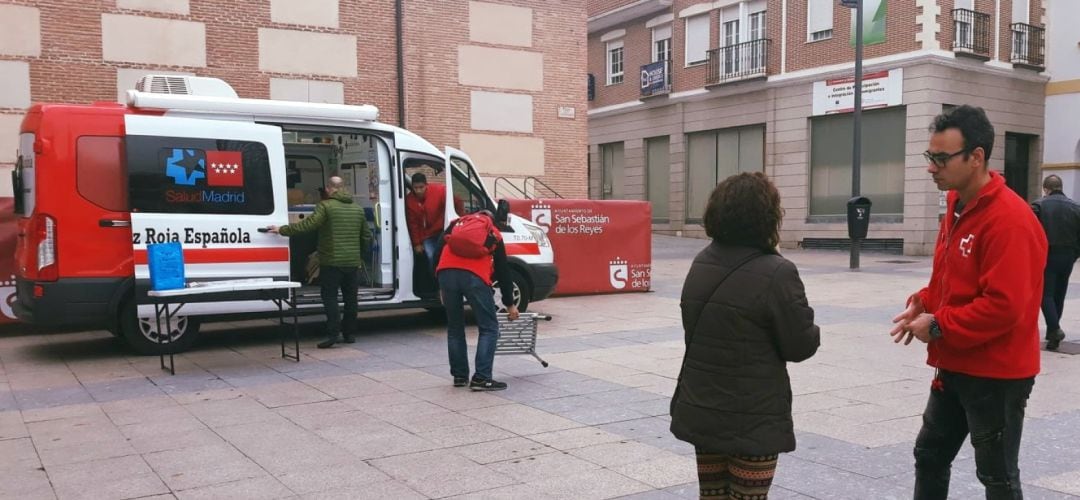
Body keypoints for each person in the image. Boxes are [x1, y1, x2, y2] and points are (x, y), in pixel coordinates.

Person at [891, 105, 1047, 499]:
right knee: (929, 455)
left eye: (941, 159)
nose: (932, 167)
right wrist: (922, 303)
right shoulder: (957, 206)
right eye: (931, 157)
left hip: (996, 375)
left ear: (976, 157)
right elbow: (952, 281)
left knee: (997, 476)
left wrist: (939, 325)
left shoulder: (1009, 220)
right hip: (955, 364)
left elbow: (1004, 306)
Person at [669, 172, 819, 500]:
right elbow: (801, 345)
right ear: (766, 217)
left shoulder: (702, 262)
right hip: (753, 417)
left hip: (704, 410)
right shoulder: (777, 272)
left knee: (712, 496)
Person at [270, 176, 371, 349]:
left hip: (331, 262)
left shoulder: (325, 206)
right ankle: (350, 334)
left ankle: (333, 334)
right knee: (351, 299)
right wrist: (358, 256)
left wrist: (282, 230)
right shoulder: (357, 209)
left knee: (330, 297)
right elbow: (366, 236)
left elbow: (307, 226)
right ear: (343, 188)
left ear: (329, 189)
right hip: (352, 263)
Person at [433, 210, 519, 391]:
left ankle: (459, 376)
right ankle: (481, 378)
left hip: (446, 273)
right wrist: (509, 303)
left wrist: (440, 285)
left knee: (455, 327)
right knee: (489, 327)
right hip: (474, 276)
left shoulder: (456, 224)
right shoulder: (493, 232)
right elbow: (503, 271)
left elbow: (436, 252)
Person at [1031, 174, 1080, 351]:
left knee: (1046, 294)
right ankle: (1053, 334)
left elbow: (1030, 231)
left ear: (1046, 189)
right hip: (1068, 256)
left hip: (1047, 254)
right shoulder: (1076, 207)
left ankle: (1055, 329)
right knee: (1059, 293)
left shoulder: (1038, 206)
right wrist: (1075, 254)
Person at [405, 171, 464, 277]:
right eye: (415, 188)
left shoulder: (440, 191)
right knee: (432, 257)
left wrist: (459, 222)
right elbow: (413, 224)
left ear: (426, 185)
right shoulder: (410, 201)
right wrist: (417, 243)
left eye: (421, 187)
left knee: (446, 259)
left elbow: (458, 201)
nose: (418, 191)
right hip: (427, 236)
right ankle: (437, 283)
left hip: (442, 232)